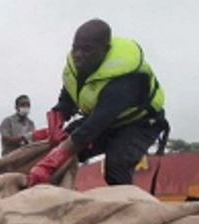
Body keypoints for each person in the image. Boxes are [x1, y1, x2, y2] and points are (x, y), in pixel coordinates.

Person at [28, 19, 168, 187]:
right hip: (101, 119)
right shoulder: (78, 67)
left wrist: (49, 163)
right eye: (75, 48)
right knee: (60, 151)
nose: (79, 54)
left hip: (139, 123)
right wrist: (57, 119)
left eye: (87, 49)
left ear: (106, 49)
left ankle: (127, 208)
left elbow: (93, 127)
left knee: (116, 166)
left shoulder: (126, 80)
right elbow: (67, 99)